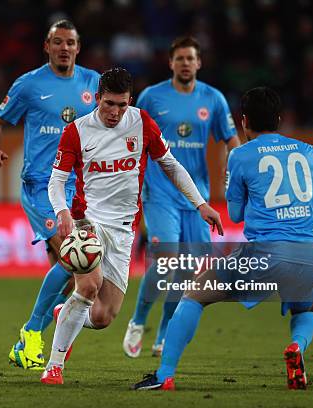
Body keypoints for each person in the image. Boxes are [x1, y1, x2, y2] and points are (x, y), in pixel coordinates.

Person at [131, 87, 313, 391]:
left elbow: (235, 215)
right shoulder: (309, 151)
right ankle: (297, 348)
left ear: (244, 121)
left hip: (266, 254)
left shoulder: (241, 155)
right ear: (279, 119)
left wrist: (233, 182)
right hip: (311, 257)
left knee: (195, 292)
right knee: (306, 309)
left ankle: (163, 374)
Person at [40, 67, 224, 385]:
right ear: (97, 98)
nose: (115, 112)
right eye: (109, 103)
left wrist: (200, 204)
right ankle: (54, 367)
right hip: (88, 222)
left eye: (121, 105)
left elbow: (170, 164)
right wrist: (62, 212)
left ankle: (64, 314)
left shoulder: (142, 123)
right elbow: (57, 180)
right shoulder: (77, 130)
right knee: (87, 286)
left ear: (130, 101)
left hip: (124, 230)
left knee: (102, 317)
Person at [0, 20, 100, 370]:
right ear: (46, 46)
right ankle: (32, 332)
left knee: (67, 279)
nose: (64, 48)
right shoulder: (30, 84)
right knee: (73, 257)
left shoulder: (92, 82)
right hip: (40, 185)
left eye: (71, 43)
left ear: (78, 48)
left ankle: (25, 346)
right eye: (58, 42)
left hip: (77, 187)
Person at [123, 36, 241, 358]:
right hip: (159, 191)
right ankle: (137, 321)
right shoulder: (151, 97)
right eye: (180, 59)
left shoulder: (213, 99)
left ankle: (162, 334)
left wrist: (238, 169)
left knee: (187, 271)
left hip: (196, 195)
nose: (186, 63)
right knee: (165, 261)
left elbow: (232, 141)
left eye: (191, 58)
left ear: (199, 63)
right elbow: (129, 135)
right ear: (171, 63)